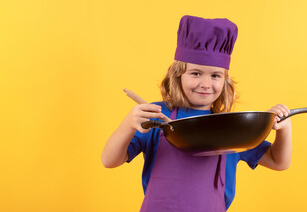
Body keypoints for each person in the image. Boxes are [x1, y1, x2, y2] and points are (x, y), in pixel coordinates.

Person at [101, 15, 292, 211]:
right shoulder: (157, 115)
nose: (206, 84)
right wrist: (128, 123)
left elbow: (279, 162)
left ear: (225, 81)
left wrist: (283, 129)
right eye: (196, 73)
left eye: (215, 76)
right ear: (178, 75)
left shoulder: (231, 128)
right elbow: (109, 160)